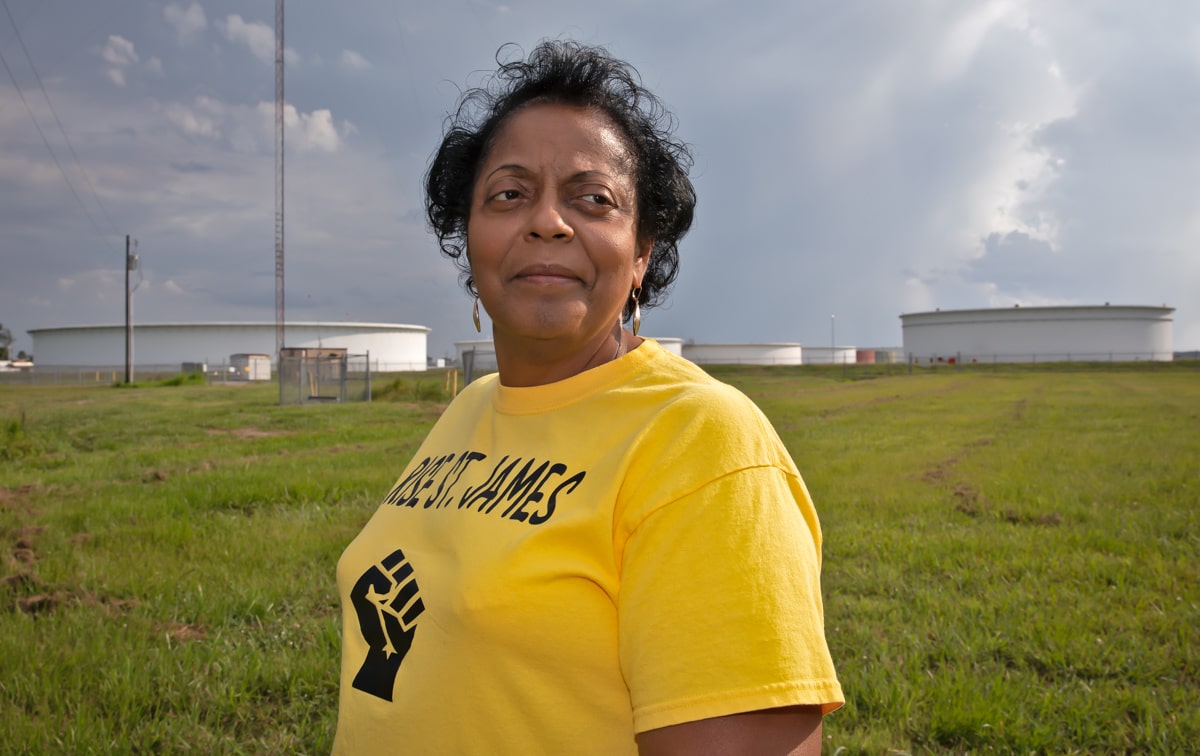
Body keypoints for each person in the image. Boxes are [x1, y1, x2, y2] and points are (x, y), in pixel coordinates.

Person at [334, 40, 843, 755]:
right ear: (468, 237)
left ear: (640, 254)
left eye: (592, 199)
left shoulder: (701, 444)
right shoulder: (472, 407)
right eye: (509, 194)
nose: (548, 221)